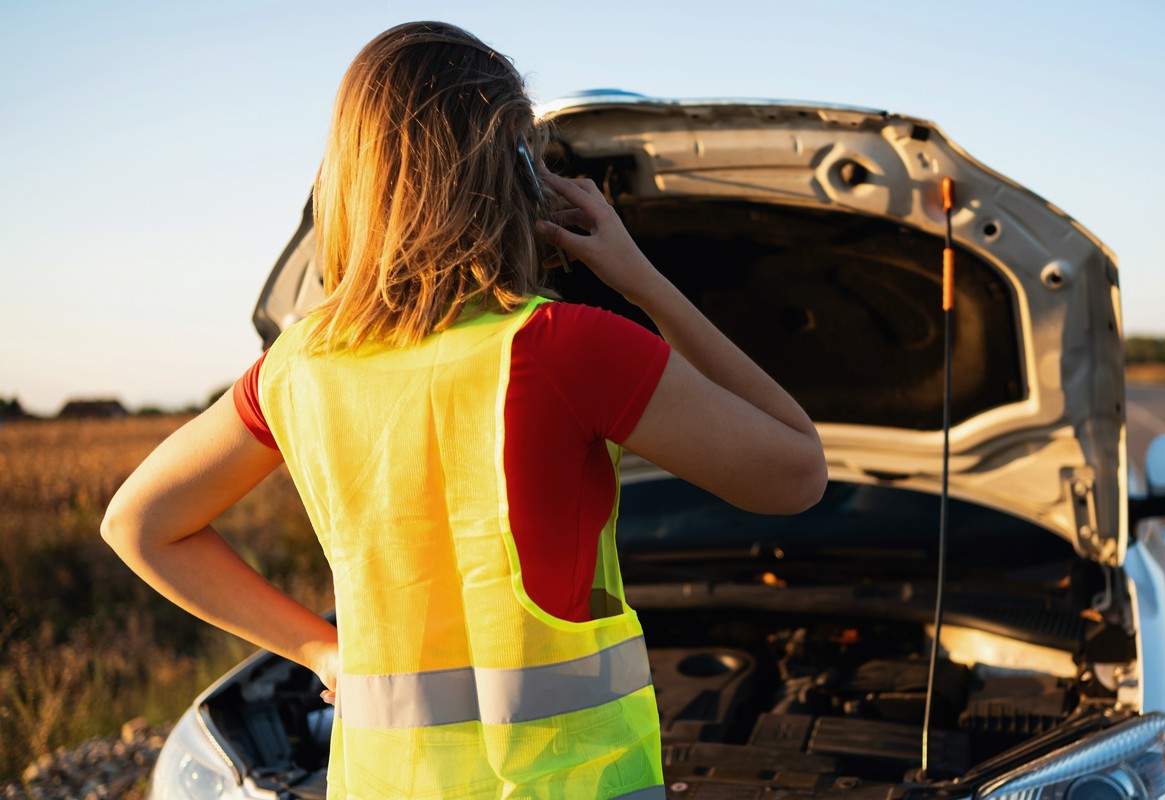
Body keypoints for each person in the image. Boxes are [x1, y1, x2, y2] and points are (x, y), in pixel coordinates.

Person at [101, 20, 826, 800]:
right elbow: (796, 473)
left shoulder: (296, 366)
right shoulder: (561, 347)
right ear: (507, 171)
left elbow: (138, 525)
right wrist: (642, 279)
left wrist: (320, 652)